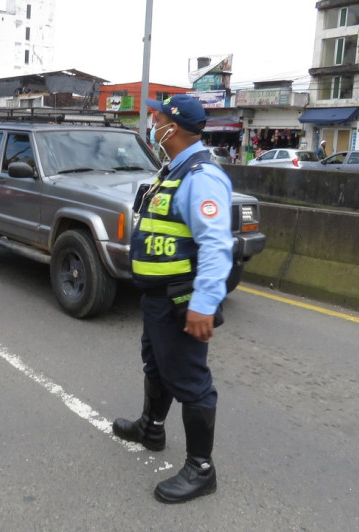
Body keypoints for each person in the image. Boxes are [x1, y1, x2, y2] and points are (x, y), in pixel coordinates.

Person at [113, 94, 232, 504]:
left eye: (158, 117)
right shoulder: (173, 169)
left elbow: (217, 245)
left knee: (191, 382)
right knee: (157, 364)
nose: (153, 121)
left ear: (174, 127)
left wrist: (204, 303)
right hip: (157, 298)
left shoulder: (201, 178)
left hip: (182, 300)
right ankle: (151, 426)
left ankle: (202, 469)